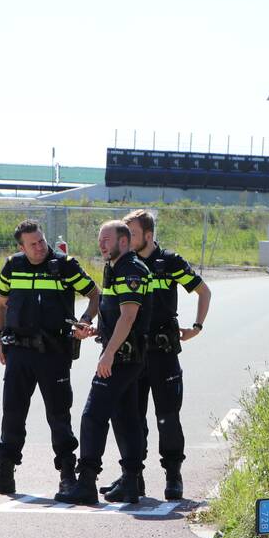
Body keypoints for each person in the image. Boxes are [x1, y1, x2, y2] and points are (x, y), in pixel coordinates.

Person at [0, 220, 99, 497]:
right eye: (32, 244)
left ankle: (68, 475)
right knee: (12, 413)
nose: (39, 247)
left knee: (59, 415)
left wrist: (84, 320)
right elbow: (0, 306)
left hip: (54, 351)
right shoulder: (13, 265)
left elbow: (95, 294)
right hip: (19, 352)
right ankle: (5, 473)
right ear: (21, 246)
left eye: (42, 241)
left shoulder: (65, 265)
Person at [104, 209, 211, 500]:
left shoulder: (169, 262)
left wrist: (196, 327)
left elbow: (204, 291)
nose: (126, 239)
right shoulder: (124, 264)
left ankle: (173, 476)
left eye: (132, 234)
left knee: (167, 417)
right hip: (133, 355)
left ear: (148, 236)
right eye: (124, 234)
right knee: (132, 419)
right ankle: (132, 477)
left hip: (162, 354)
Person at [56, 220, 151, 505]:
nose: (101, 244)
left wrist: (108, 353)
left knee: (92, 415)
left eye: (106, 239)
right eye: (100, 240)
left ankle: (86, 482)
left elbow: (129, 316)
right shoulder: (117, 268)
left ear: (123, 241)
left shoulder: (131, 269)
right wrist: (98, 331)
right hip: (125, 352)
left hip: (121, 357)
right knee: (126, 417)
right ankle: (131, 482)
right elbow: (119, 317)